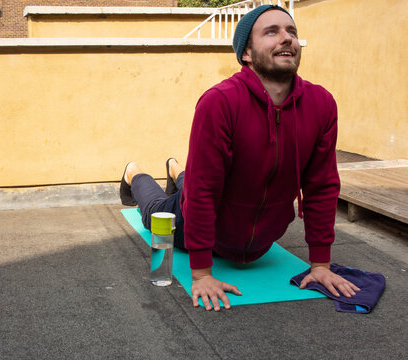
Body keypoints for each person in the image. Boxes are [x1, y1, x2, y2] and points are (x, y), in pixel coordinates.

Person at [120, 5, 360, 311]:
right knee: (155, 210)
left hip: (259, 244)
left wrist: (321, 264)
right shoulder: (219, 102)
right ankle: (134, 174)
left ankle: (176, 169)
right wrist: (202, 273)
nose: (287, 38)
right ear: (246, 52)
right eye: (272, 32)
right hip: (195, 224)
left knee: (192, 181)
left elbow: (322, 186)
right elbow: (203, 190)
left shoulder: (322, 104)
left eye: (292, 32)